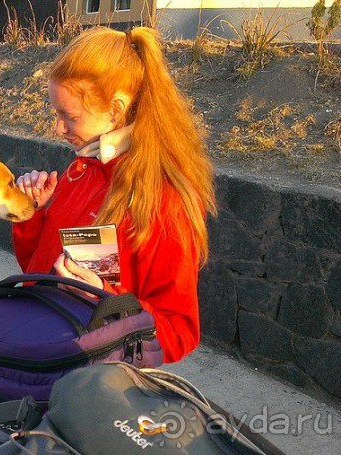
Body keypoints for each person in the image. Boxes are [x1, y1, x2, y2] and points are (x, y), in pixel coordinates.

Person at [13, 26, 216, 363]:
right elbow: (38, 274)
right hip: (44, 348)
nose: (58, 128)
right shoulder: (83, 172)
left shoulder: (163, 196)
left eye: (69, 116)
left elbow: (178, 329)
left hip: (93, 383)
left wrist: (104, 300)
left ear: (117, 109)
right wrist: (32, 213)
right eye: (56, 113)